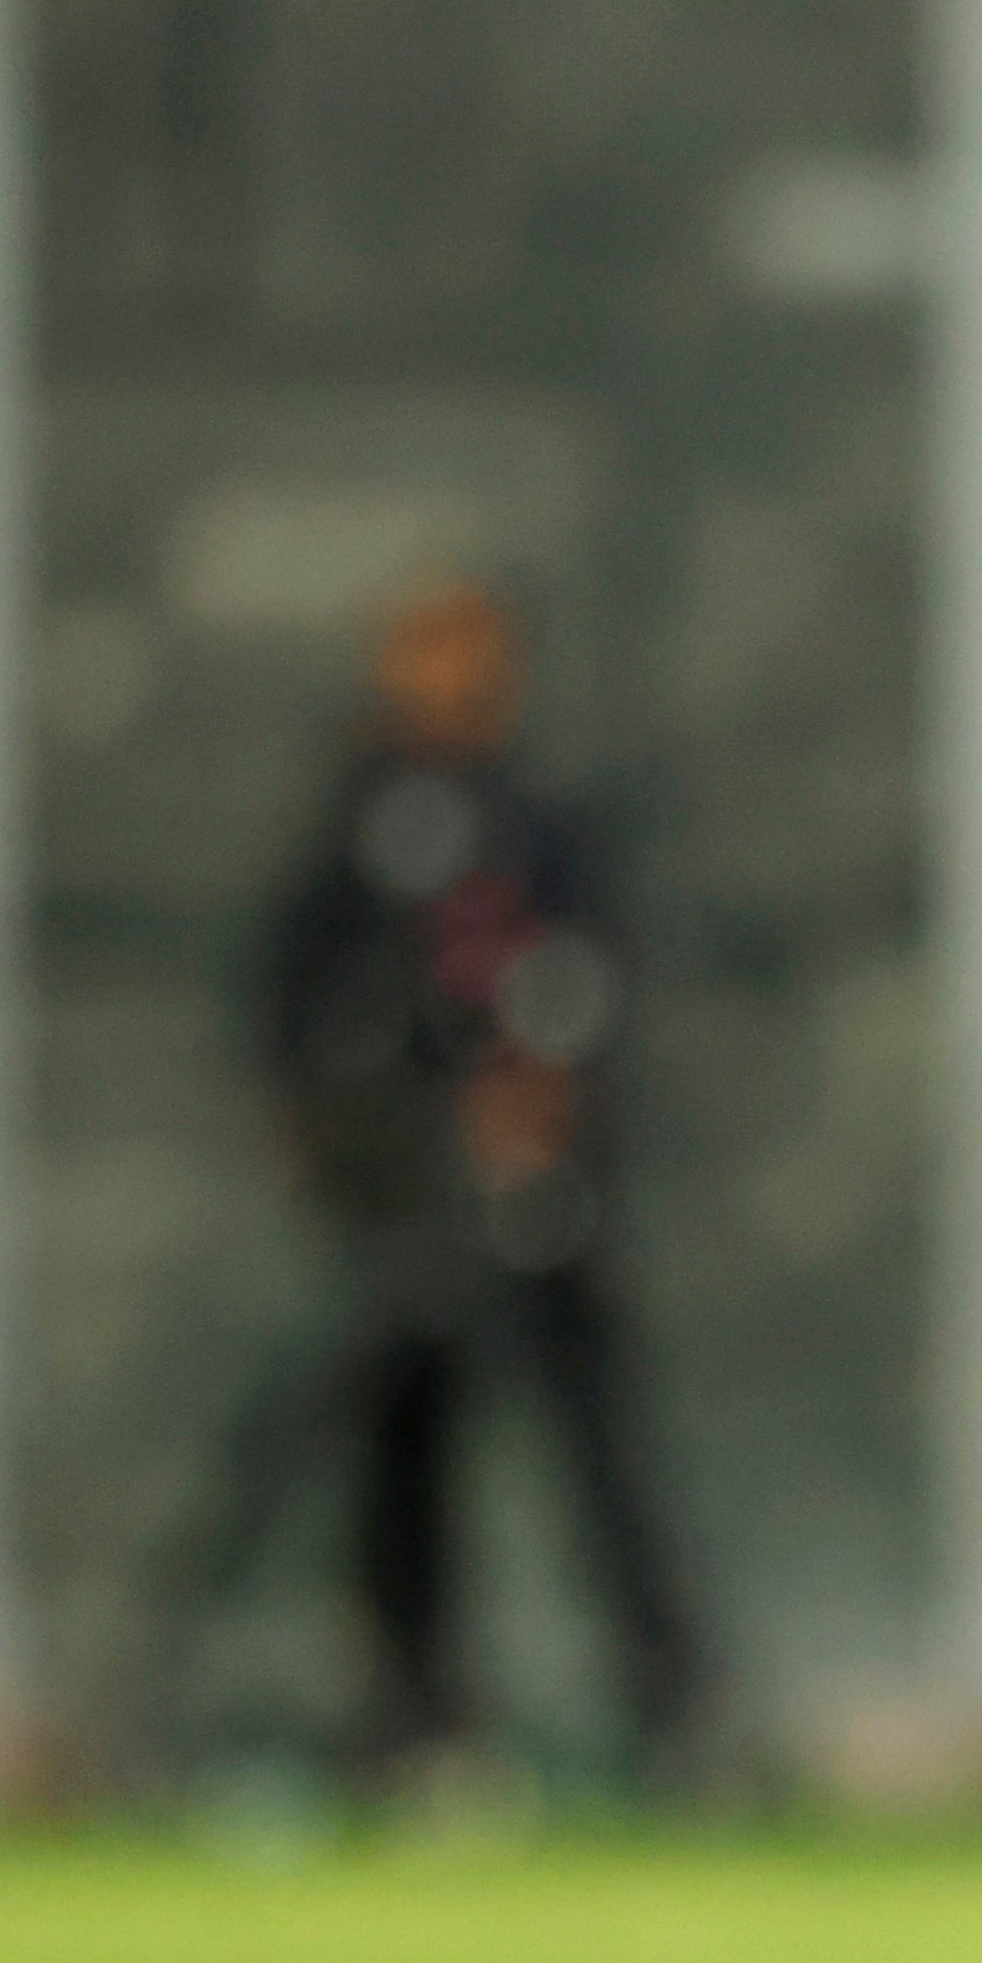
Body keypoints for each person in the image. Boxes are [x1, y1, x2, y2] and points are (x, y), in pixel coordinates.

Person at [252, 579, 698, 1791]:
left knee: (593, 1443)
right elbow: (299, 1005)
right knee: (404, 1453)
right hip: (409, 1207)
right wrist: (357, 1144)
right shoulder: (357, 832)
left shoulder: (539, 828)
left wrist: (542, 1108)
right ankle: (411, 1708)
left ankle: (667, 1706)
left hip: (543, 1198)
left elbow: (582, 987)